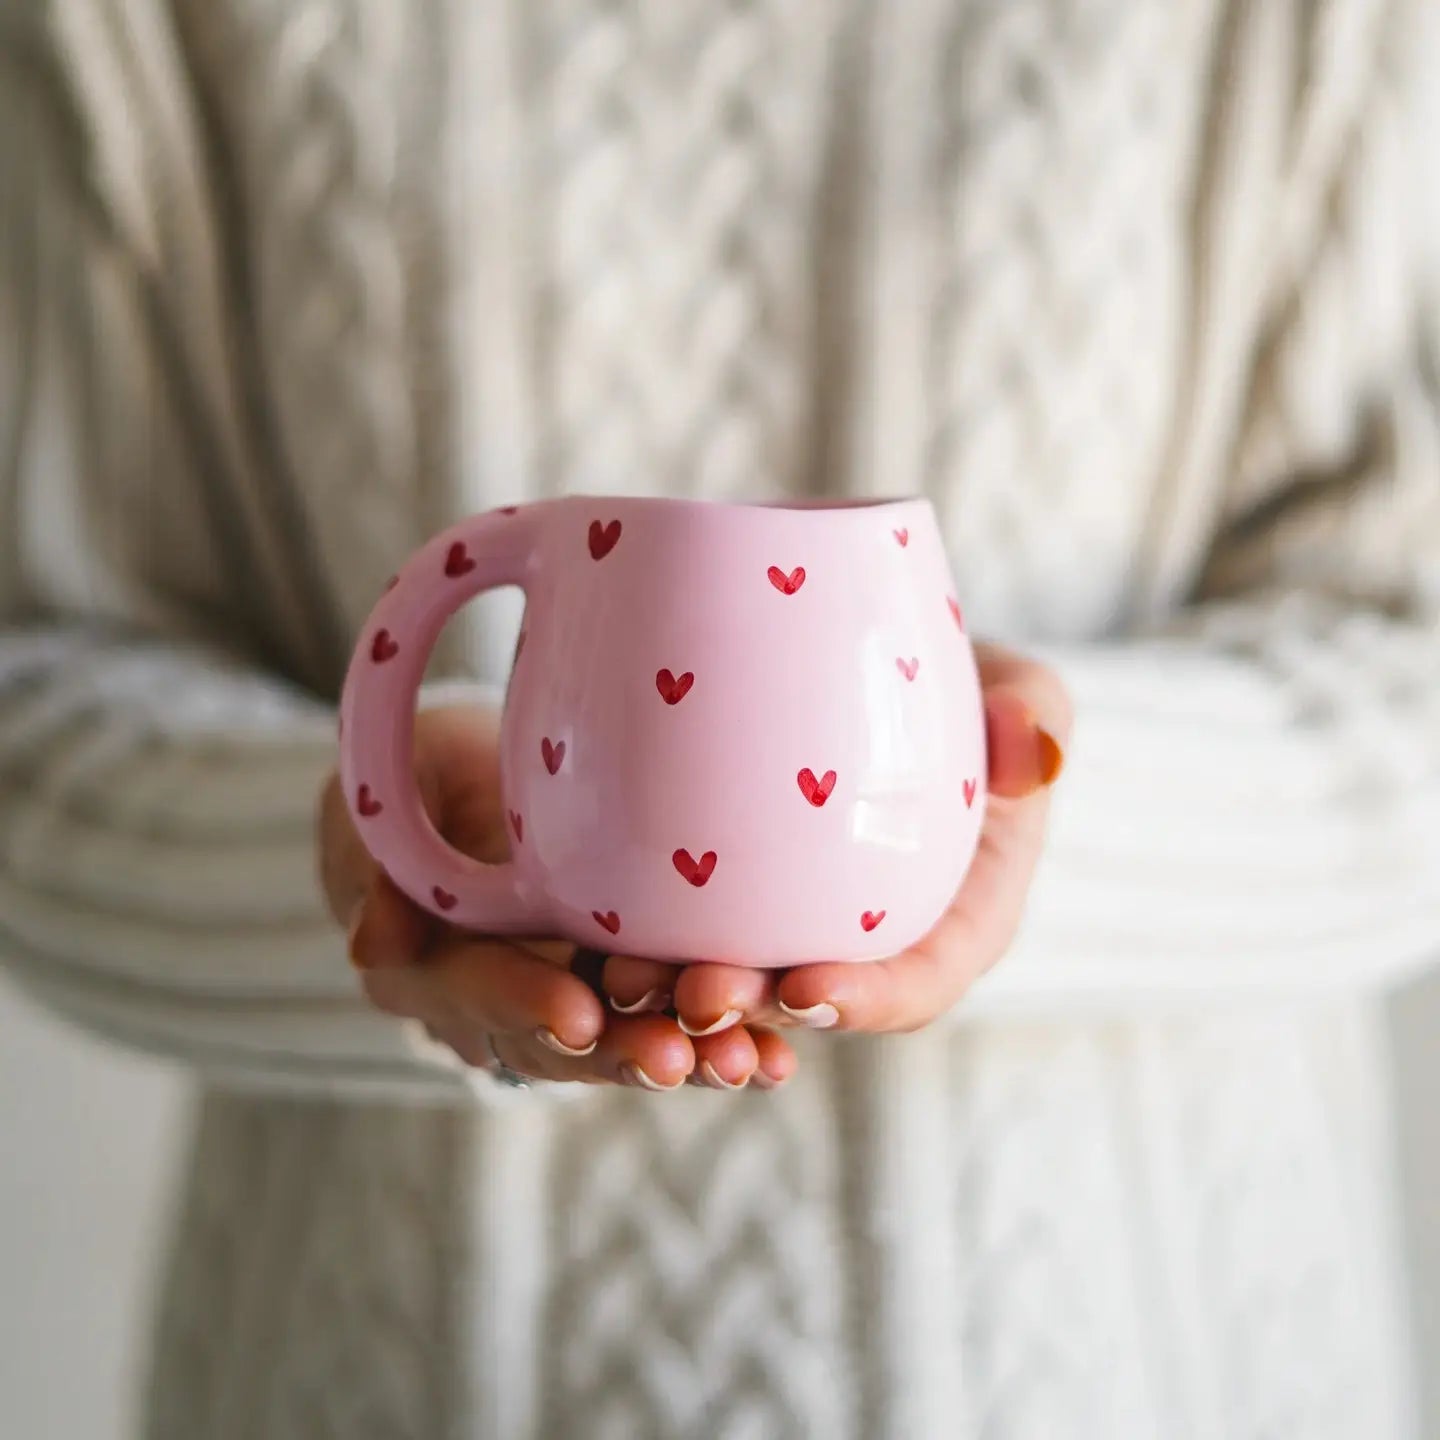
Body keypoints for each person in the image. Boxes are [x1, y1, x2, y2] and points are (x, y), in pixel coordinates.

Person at [1, 1, 1437, 1436]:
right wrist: (364, 847)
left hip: (1150, 1375)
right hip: (374, 1378)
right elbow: (38, 713)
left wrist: (999, 817)